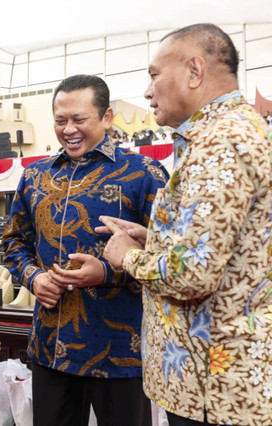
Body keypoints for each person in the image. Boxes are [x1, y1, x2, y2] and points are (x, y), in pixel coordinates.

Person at [99, 23, 272, 426]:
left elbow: (192, 275)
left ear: (195, 70)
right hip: (211, 380)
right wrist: (157, 238)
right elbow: (228, 244)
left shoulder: (222, 143)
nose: (146, 91)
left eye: (154, 74)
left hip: (217, 386)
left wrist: (131, 257)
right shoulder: (223, 134)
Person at [2, 74, 169, 426]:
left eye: (79, 119)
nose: (68, 129)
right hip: (51, 348)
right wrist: (33, 278)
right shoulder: (35, 176)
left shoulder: (144, 173)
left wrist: (107, 273)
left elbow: (167, 258)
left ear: (107, 117)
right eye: (60, 121)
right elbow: (14, 242)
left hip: (121, 353)